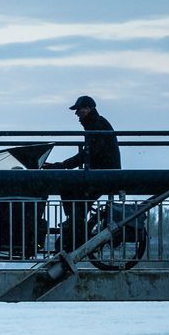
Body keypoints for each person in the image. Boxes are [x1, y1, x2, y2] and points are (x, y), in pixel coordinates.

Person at [43, 95, 120, 252]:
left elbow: (88, 154)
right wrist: (63, 165)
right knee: (76, 195)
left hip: (102, 175)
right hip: (103, 173)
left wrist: (62, 166)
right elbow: (89, 153)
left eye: (79, 110)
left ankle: (76, 228)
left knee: (69, 188)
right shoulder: (97, 123)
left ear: (88, 109)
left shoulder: (95, 124)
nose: (76, 113)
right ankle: (76, 225)